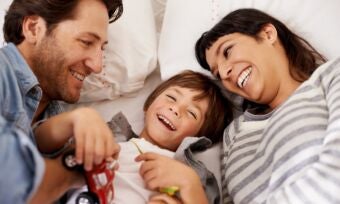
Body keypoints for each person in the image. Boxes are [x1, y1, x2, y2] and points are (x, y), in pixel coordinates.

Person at [137, 8, 340, 204]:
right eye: (217, 73)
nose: (224, 73)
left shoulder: (331, 75)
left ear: (267, 34)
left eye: (227, 51)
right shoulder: (234, 133)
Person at [0, 0, 123, 203]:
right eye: (86, 42)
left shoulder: (64, 125)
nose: (98, 65)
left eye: (102, 49)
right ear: (33, 29)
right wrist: (72, 171)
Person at [62, 70, 233, 204]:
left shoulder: (192, 175)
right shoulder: (107, 136)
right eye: (171, 97)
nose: (175, 109)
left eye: (191, 113)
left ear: (199, 138)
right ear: (148, 104)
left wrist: (192, 187)